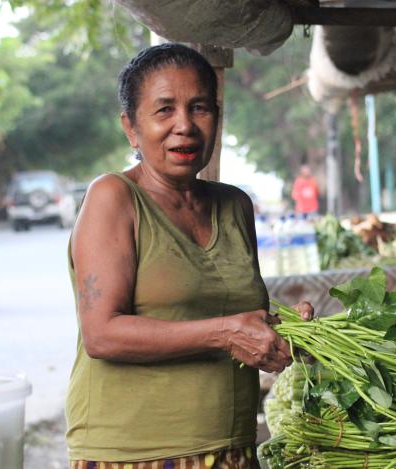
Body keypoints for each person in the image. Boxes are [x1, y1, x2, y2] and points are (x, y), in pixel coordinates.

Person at [67, 43, 313, 469]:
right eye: (164, 110)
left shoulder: (235, 205)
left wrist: (282, 329)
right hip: (136, 454)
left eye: (200, 108)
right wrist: (226, 333)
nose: (185, 125)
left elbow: (226, 311)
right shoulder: (113, 197)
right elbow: (101, 334)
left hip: (232, 447)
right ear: (131, 128)